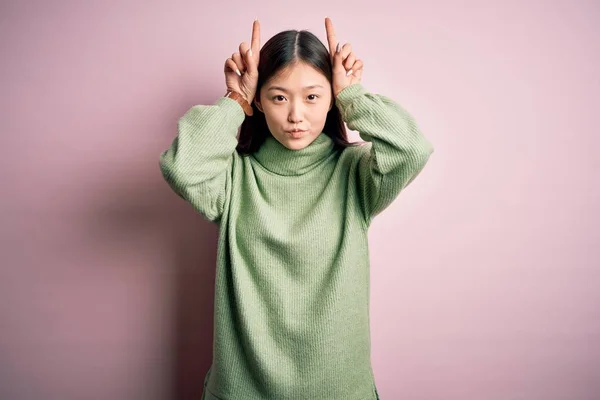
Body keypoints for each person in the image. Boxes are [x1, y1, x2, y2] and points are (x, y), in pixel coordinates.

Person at [159, 17, 434, 400]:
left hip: (339, 390)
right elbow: (182, 167)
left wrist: (352, 97)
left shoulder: (355, 173)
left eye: (312, 96)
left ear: (332, 99)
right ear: (259, 101)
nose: (295, 116)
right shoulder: (233, 177)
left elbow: (411, 149)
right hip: (242, 390)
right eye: (278, 97)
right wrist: (235, 100)